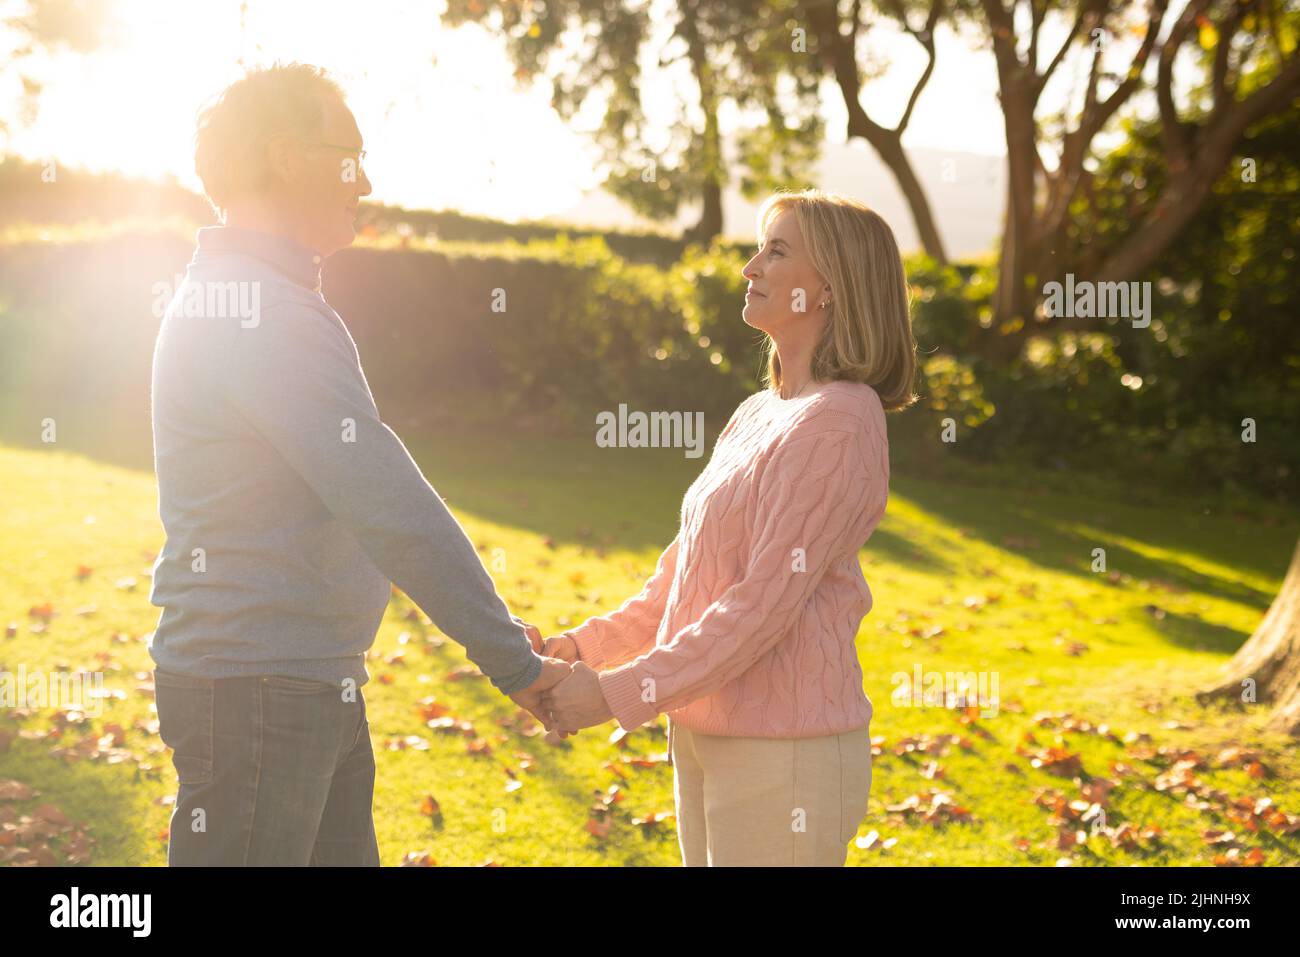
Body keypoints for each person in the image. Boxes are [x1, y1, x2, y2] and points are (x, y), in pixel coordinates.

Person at [148, 62, 568, 866]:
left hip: (300, 679)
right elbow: (388, 502)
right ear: (285, 156)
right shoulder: (258, 311)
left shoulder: (263, 295)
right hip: (261, 688)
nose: (366, 180)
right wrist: (511, 659)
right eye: (349, 155)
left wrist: (503, 635)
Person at [542, 188, 918, 866]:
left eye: (775, 252)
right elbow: (680, 583)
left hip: (785, 754)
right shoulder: (758, 412)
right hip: (703, 732)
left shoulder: (840, 419)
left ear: (830, 286)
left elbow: (759, 610)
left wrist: (614, 694)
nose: (750, 268)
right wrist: (580, 649)